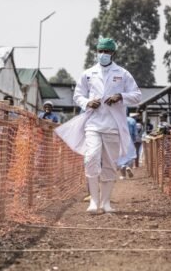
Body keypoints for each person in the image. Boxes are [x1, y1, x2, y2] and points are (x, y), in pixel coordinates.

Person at [55, 37, 142, 214]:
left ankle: (106, 202)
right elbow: (77, 95)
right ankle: (93, 201)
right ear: (97, 52)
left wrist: (121, 96)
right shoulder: (88, 73)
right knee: (91, 158)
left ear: (113, 53)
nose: (104, 54)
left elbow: (137, 95)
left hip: (113, 125)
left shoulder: (123, 73)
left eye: (107, 51)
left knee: (110, 164)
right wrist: (87, 102)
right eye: (101, 51)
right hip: (93, 123)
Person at [117, 115, 136, 179]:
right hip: (128, 138)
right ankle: (128, 166)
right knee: (129, 155)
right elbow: (135, 132)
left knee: (120, 156)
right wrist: (134, 140)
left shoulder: (115, 117)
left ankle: (123, 174)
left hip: (118, 138)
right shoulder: (132, 120)